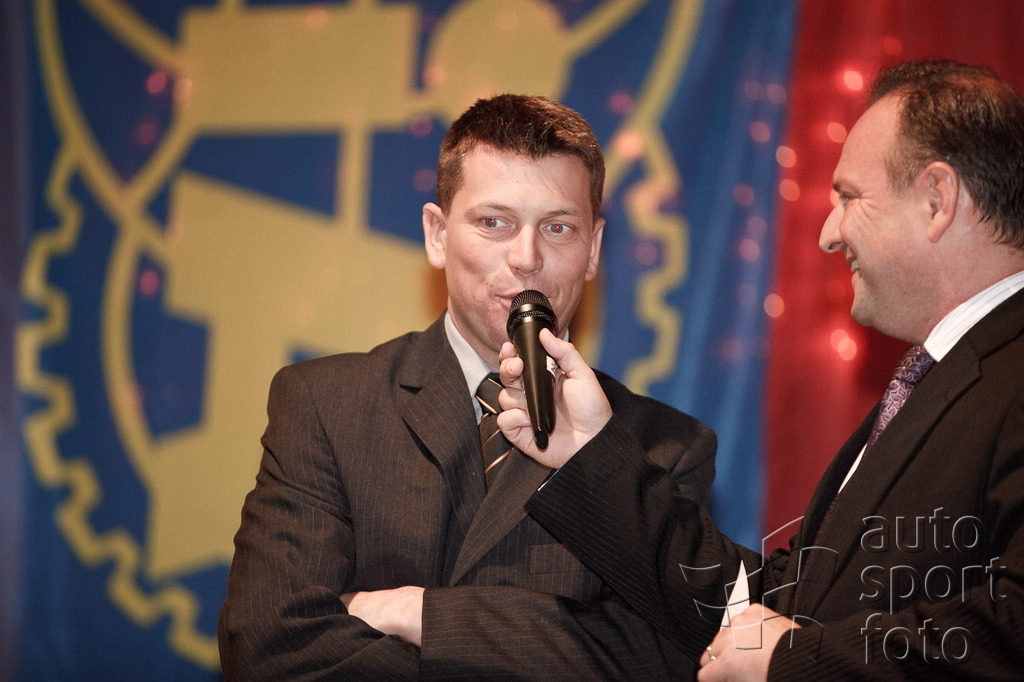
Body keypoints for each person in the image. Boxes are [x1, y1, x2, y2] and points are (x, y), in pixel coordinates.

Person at [498, 60, 1024, 680]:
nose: (829, 234)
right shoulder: (940, 378)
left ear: (937, 200)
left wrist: (796, 662)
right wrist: (591, 455)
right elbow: (768, 607)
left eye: (849, 198)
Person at [218, 94, 717, 679]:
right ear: (437, 234)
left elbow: (666, 660)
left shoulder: (664, 448)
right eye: (493, 223)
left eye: (558, 227)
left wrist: (418, 614)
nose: (526, 258)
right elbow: (267, 643)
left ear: (593, 251)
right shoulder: (326, 404)